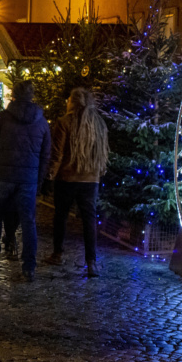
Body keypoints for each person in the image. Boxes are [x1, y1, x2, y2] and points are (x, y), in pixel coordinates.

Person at [0, 79, 52, 280]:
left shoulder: (2, 118)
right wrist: (38, 182)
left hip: (2, 176)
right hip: (28, 179)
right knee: (29, 222)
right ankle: (29, 266)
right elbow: (46, 156)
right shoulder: (42, 123)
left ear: (14, 95)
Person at [45, 87, 110, 277]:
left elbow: (57, 154)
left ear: (72, 102)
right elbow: (102, 151)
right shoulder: (98, 123)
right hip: (91, 180)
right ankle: (91, 262)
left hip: (67, 178)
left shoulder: (64, 122)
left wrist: (50, 175)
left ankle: (57, 253)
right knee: (89, 220)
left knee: (61, 216)